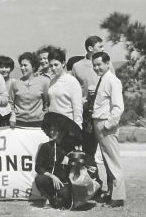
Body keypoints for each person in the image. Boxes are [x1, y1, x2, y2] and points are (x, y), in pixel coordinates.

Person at [91, 51, 126, 207]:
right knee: (106, 160)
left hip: (106, 124)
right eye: (94, 65)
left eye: (99, 64)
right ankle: (112, 192)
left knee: (113, 160)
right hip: (99, 123)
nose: (97, 68)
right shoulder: (103, 80)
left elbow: (118, 107)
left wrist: (108, 125)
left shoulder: (113, 81)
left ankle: (118, 197)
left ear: (107, 63)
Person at [70, 35, 106, 187]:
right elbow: (72, 89)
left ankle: (113, 190)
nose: (103, 49)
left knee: (107, 152)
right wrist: (84, 98)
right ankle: (94, 184)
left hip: (104, 113)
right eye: (100, 47)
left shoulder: (106, 64)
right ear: (90, 48)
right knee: (89, 152)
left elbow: (115, 86)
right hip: (87, 116)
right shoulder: (77, 66)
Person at [33, 112, 82, 209]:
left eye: (55, 130)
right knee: (40, 179)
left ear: (62, 132)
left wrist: (70, 157)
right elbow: (38, 167)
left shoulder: (70, 147)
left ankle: (57, 198)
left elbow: (78, 163)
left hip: (64, 182)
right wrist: (52, 176)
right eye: (51, 130)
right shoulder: (45, 147)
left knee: (62, 200)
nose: (52, 132)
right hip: (50, 180)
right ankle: (48, 197)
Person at [8, 52, 50, 127]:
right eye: (21, 65)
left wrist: (44, 116)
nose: (22, 68)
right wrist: (12, 115)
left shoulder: (44, 82)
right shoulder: (15, 83)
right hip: (18, 123)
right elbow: (10, 104)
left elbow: (46, 104)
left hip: (38, 124)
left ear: (33, 66)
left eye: (25, 65)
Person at [46, 48, 83, 129]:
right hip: (54, 126)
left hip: (68, 126)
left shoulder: (72, 82)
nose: (53, 68)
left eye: (56, 65)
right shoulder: (52, 81)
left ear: (63, 63)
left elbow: (78, 109)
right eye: (51, 65)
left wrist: (78, 129)